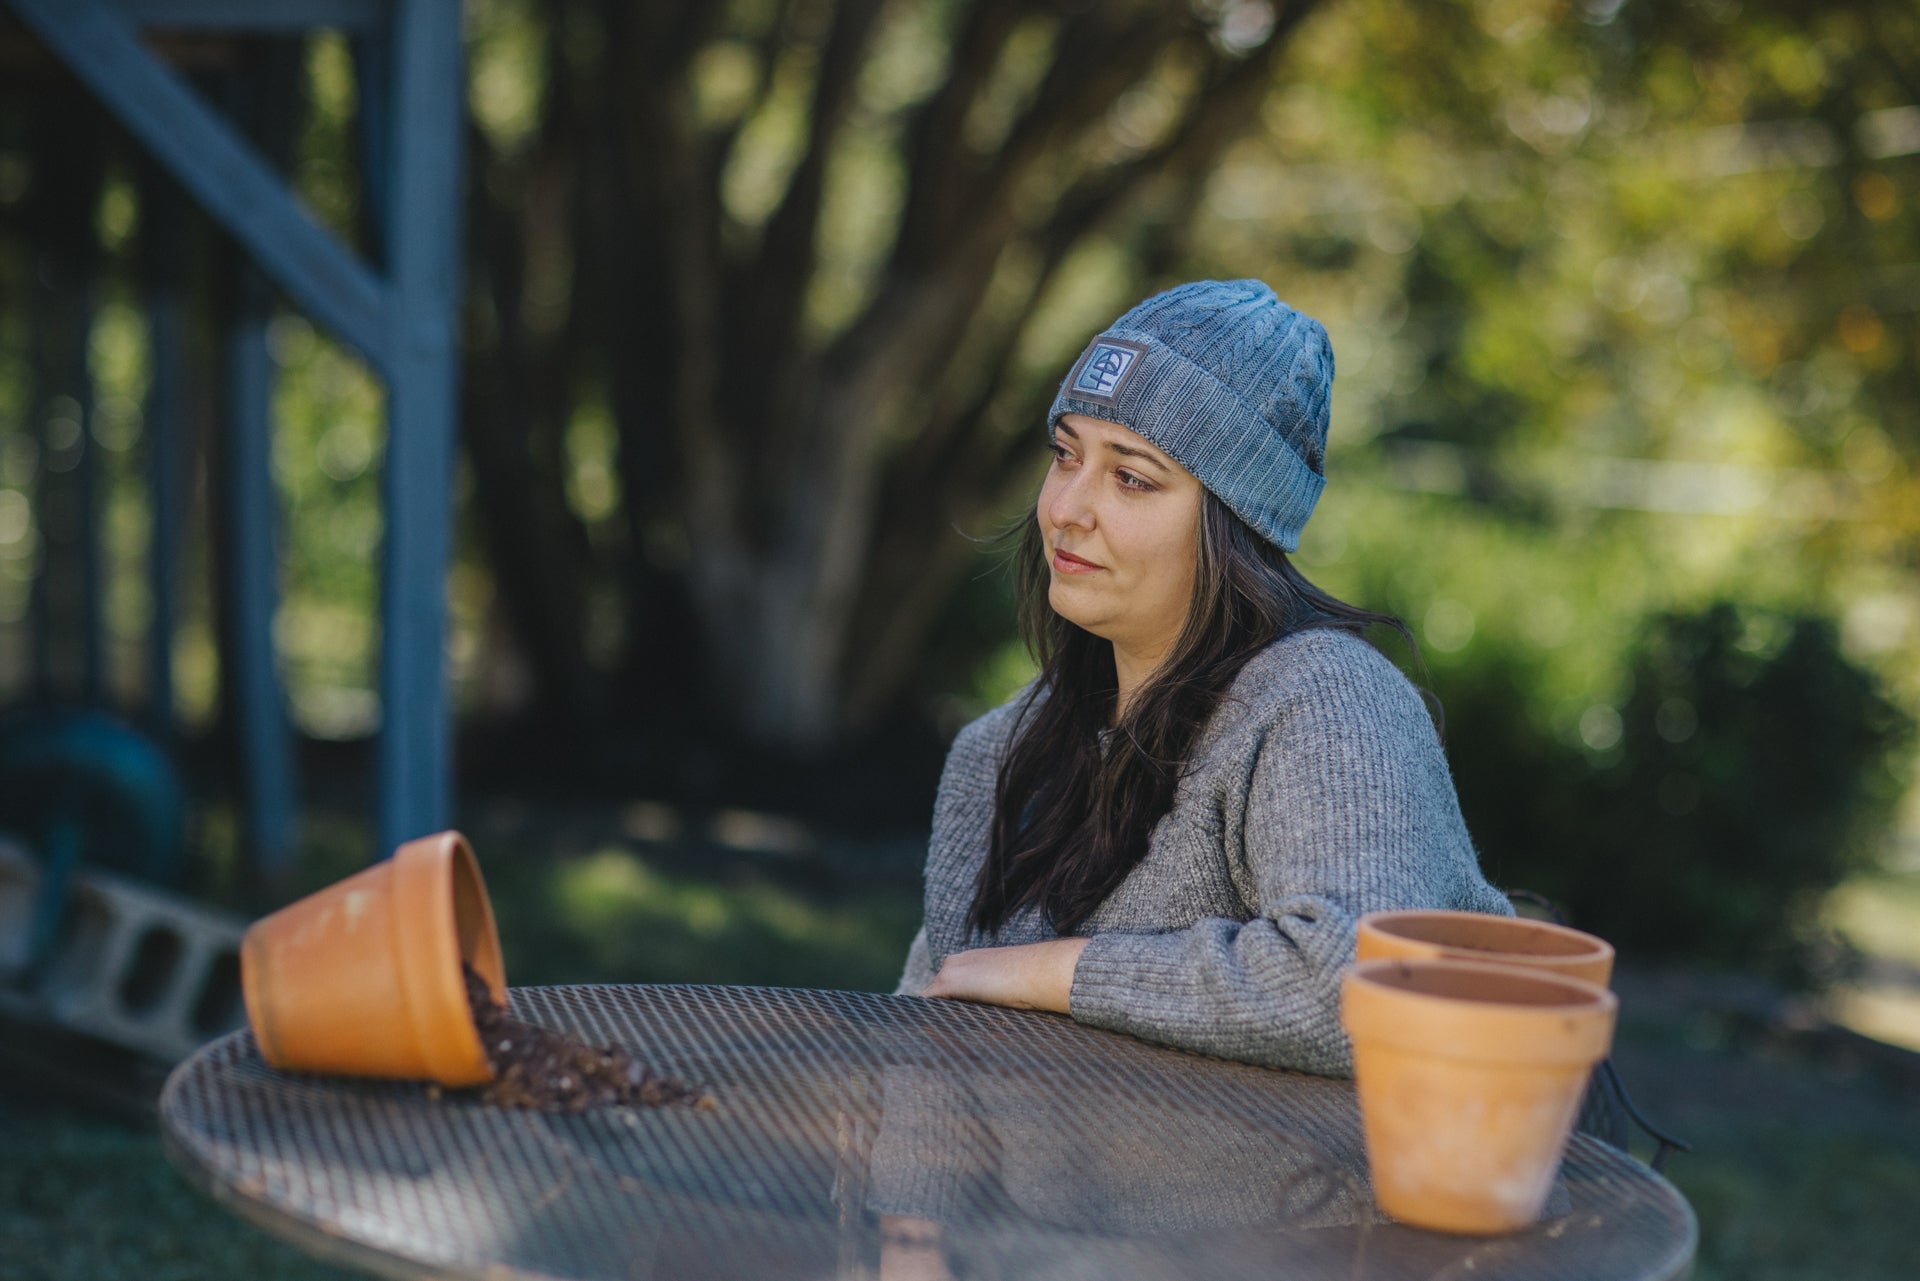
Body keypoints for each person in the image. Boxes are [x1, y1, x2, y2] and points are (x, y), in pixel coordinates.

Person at [893, 278, 1511, 1077]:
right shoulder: (997, 754)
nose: (1067, 508)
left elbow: (1361, 985)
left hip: (1323, 1203)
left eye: (1132, 478)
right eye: (1066, 454)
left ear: (1235, 522)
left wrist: (1055, 970)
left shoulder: (1325, 700)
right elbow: (922, 1042)